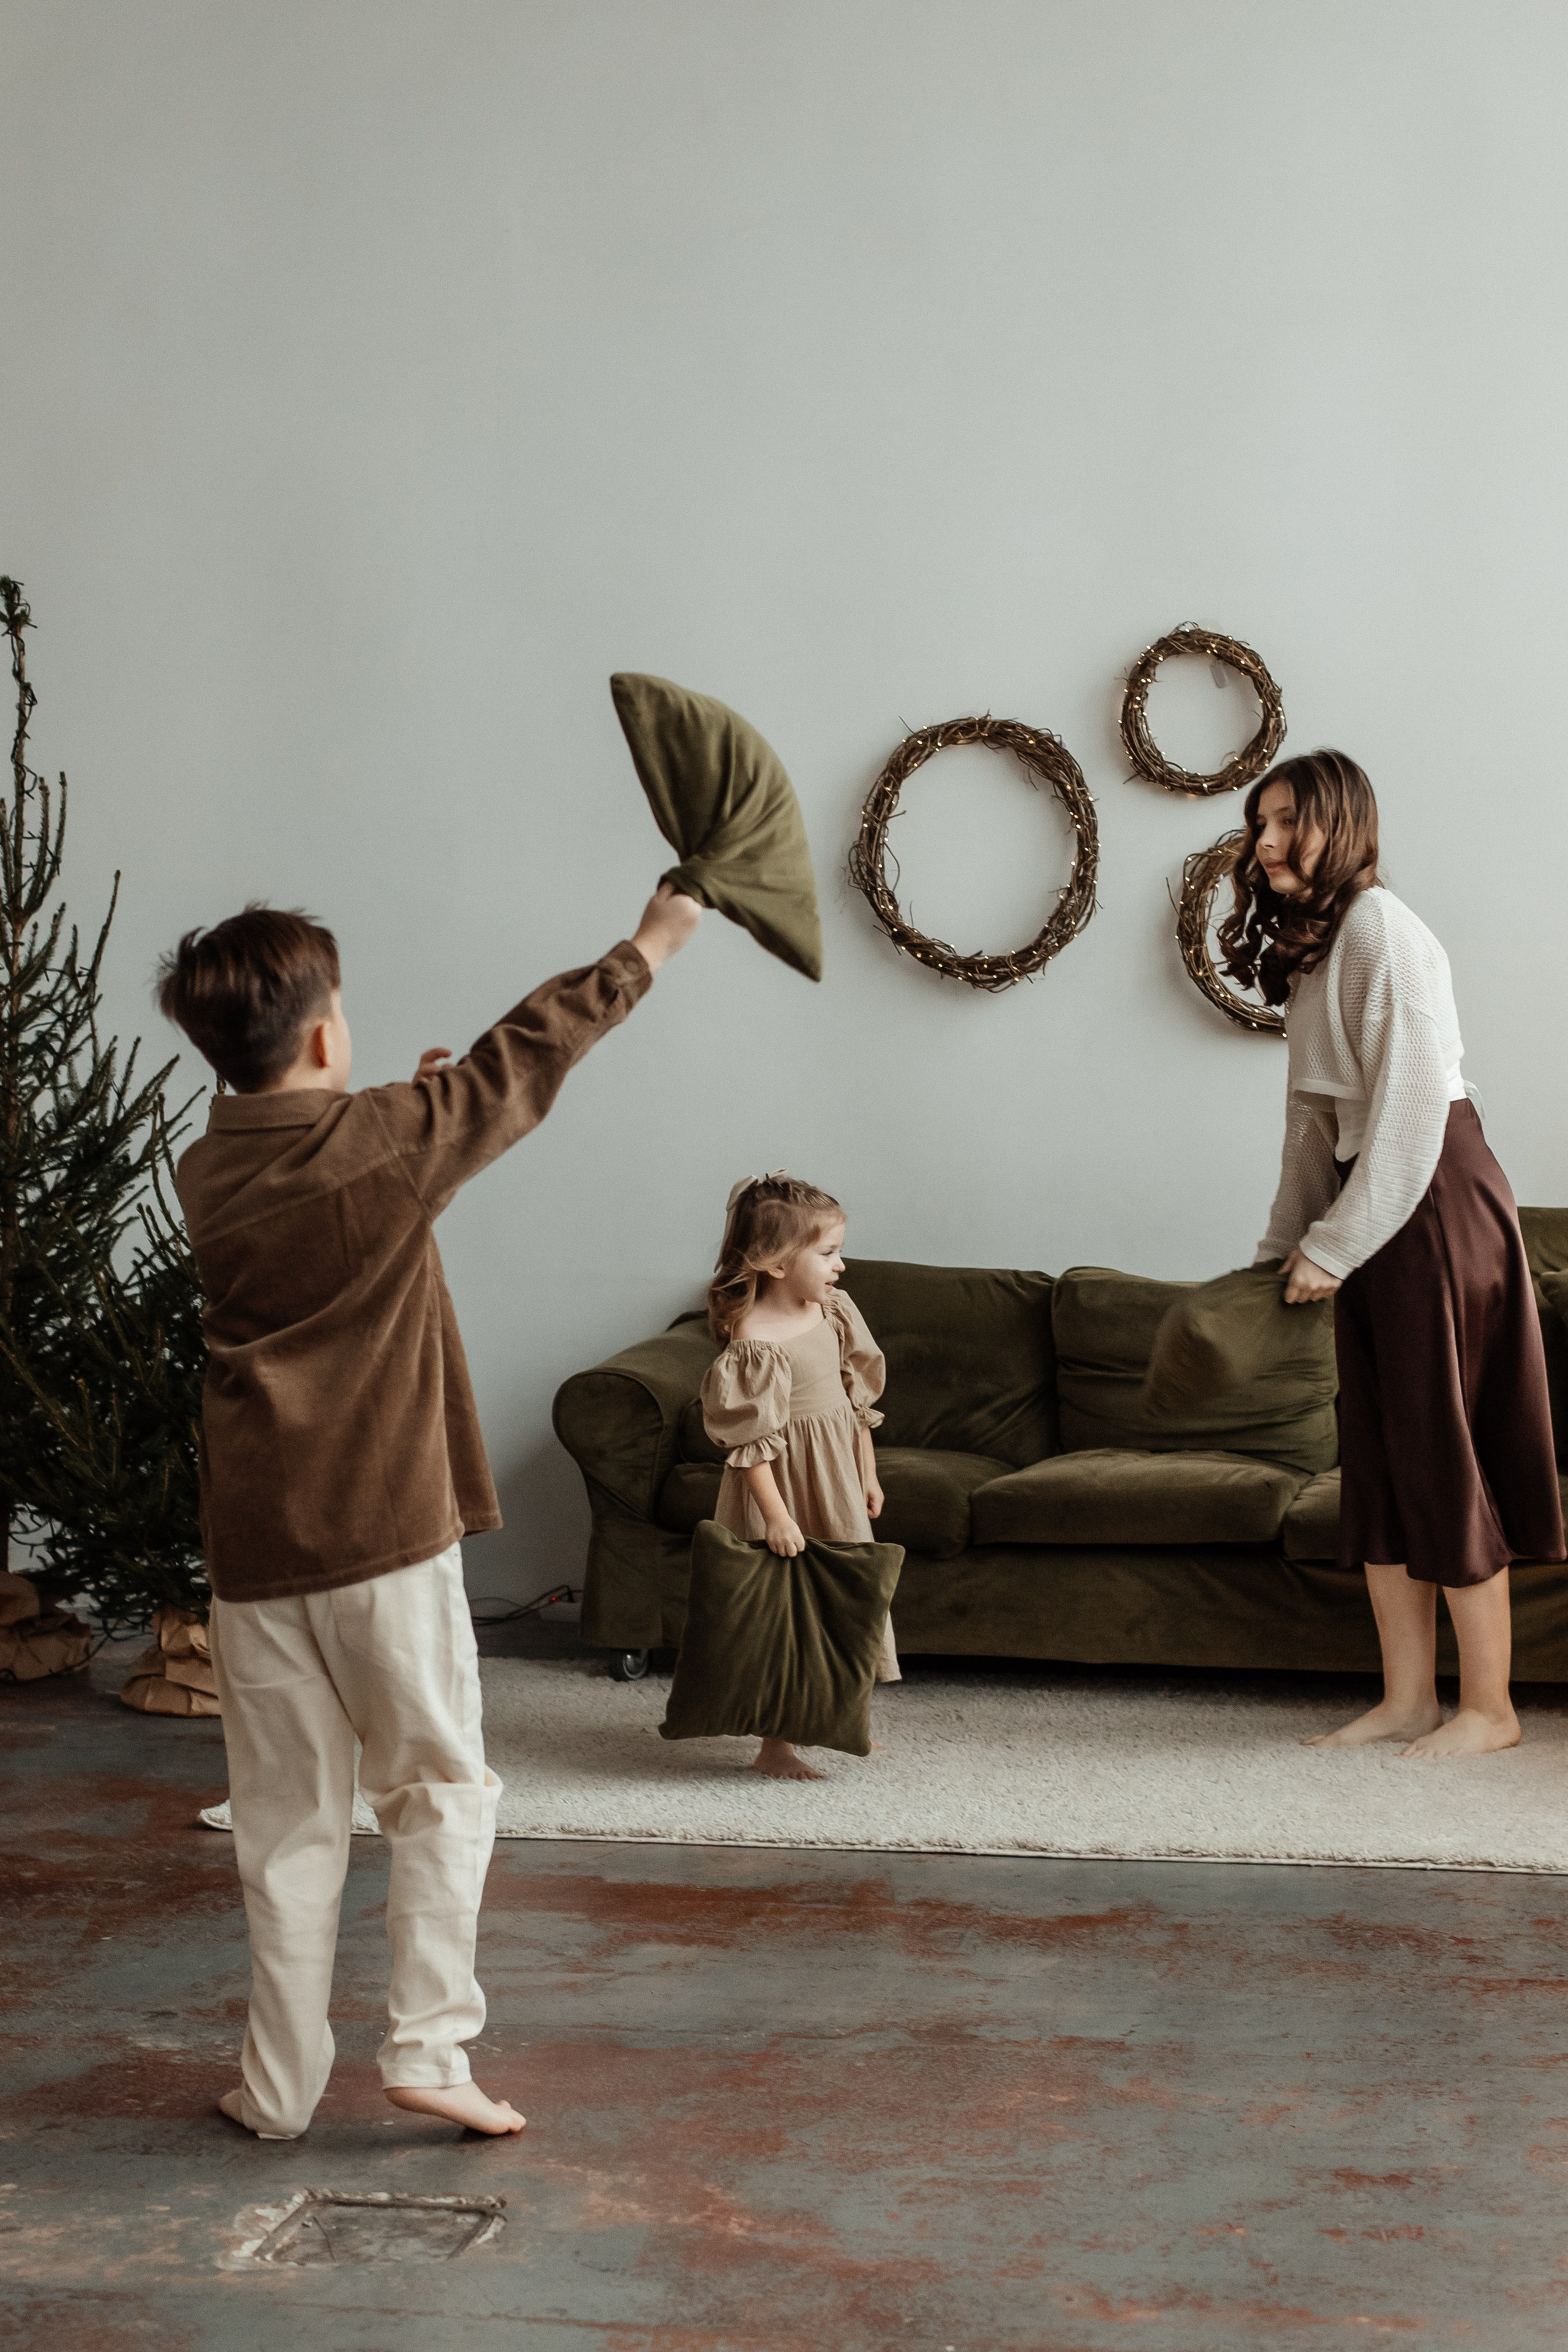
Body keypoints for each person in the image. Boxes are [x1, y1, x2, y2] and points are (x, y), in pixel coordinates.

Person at [157, 881, 701, 2139]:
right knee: (440, 1792)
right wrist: (651, 943)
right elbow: (529, 1052)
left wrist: (410, 1142)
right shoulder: (386, 1139)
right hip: (381, 1540)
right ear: (324, 1037)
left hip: (255, 1551)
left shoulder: (208, 1171)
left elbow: (347, 1218)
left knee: (288, 1827)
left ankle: (278, 2091)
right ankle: (428, 2049)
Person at [1220, 750, 1562, 1758]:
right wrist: (1283, 1250)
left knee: (1440, 1448)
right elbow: (1312, 1126)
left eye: (1288, 822)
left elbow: (1414, 1109)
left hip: (1433, 1197)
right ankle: (1409, 1699)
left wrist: (1337, 1242)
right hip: (1381, 1202)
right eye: (1259, 824)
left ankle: (1490, 1713)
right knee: (1377, 1456)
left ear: (1344, 825)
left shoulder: (1380, 929)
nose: (1267, 843)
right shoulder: (1319, 946)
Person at [698, 1173, 899, 1781]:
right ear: (776, 1263)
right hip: (781, 1483)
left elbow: (854, 1397)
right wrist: (777, 1516)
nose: (840, 1266)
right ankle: (775, 1746)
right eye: (828, 1253)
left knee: (844, 1600)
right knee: (785, 1613)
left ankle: (835, 1719)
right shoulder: (753, 1341)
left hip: (834, 1473)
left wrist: (867, 1473)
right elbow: (752, 1446)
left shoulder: (832, 1308)